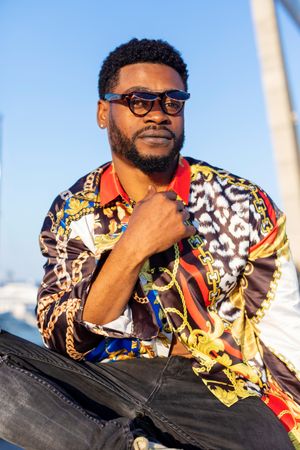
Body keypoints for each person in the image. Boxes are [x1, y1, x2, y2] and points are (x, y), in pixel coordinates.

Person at [0, 38, 299, 450]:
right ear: (104, 112)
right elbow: (62, 337)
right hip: (114, 386)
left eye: (172, 101)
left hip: (228, 400)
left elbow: (286, 335)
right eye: (138, 100)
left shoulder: (243, 203)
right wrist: (131, 247)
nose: (158, 113)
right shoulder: (73, 211)